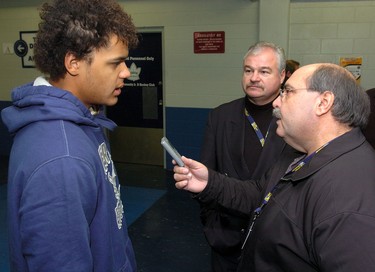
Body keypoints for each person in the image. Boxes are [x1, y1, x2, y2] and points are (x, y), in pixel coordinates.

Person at [173, 63, 375, 271]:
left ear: (323, 103)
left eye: (287, 92)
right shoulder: (300, 154)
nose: (276, 102)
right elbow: (261, 195)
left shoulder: (347, 195)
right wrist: (209, 182)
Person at [1, 0, 139, 271]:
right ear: (73, 63)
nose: (126, 72)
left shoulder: (87, 119)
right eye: (116, 63)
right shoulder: (61, 157)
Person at [199, 41, 288, 271]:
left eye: (264, 71)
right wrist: (211, 222)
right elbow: (207, 175)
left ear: (282, 75)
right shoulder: (220, 116)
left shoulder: (295, 120)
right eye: (248, 70)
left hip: (274, 245)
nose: (254, 77)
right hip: (226, 239)